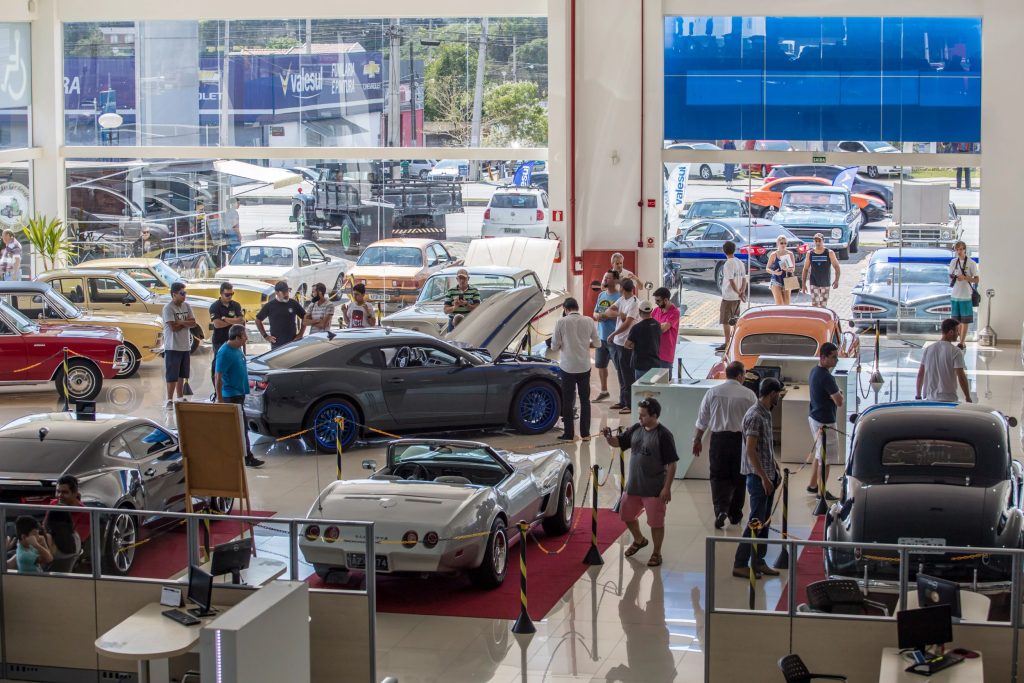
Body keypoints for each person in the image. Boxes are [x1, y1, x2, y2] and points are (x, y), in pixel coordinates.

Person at [601, 398, 678, 568]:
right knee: (626, 514)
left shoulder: (664, 435)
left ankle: (657, 553)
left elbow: (672, 464)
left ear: (654, 416)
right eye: (639, 414)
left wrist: (667, 488)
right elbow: (618, 442)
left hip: (654, 489)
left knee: (656, 523)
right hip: (633, 486)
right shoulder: (636, 429)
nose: (639, 418)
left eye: (643, 415)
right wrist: (608, 437)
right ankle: (639, 539)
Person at [692, 361, 756, 528]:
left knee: (718, 476)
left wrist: (697, 440)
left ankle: (720, 509)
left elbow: (702, 420)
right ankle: (735, 514)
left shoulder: (713, 392)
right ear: (740, 376)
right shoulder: (749, 395)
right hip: (740, 440)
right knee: (739, 476)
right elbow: (754, 422)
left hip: (719, 440)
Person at [733, 378, 784, 579]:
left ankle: (758, 561)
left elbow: (765, 449)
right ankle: (740, 563)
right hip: (757, 478)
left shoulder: (766, 413)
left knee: (764, 521)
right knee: (755, 521)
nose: (779, 396)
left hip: (767, 475)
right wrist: (763, 477)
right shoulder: (755, 416)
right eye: (778, 392)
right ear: (771, 393)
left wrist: (774, 469)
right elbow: (751, 451)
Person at [550, 297, 601, 441]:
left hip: (567, 367)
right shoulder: (589, 321)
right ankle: (586, 434)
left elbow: (554, 346)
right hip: (584, 366)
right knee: (585, 400)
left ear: (565, 310)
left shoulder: (561, 322)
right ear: (577, 307)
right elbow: (597, 343)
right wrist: (584, 346)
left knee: (568, 400)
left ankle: (569, 434)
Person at [215, 324, 264, 468]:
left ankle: (243, 455)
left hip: (240, 394)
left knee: (240, 428)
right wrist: (220, 399)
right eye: (244, 336)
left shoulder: (237, 349)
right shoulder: (224, 352)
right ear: (236, 337)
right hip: (231, 396)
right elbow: (218, 377)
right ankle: (247, 457)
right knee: (240, 428)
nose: (246, 339)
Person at [807, 342, 843, 501]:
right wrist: (839, 393)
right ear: (823, 357)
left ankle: (812, 484)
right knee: (826, 459)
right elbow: (839, 401)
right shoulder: (827, 377)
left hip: (814, 417)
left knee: (818, 455)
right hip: (825, 422)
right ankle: (821, 493)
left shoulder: (814, 371)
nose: (836, 360)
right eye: (833, 357)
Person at [916, 318, 972, 403]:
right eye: (957, 331)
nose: (958, 334)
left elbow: (920, 374)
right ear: (951, 332)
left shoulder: (928, 349)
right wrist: (967, 397)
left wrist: (918, 395)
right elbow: (961, 377)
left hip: (930, 398)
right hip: (949, 399)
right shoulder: (956, 351)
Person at [162, 281, 198, 407]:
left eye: (185, 293)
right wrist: (184, 322)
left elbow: (193, 323)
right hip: (172, 346)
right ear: (174, 294)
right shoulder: (168, 308)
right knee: (172, 375)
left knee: (182, 374)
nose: (184, 296)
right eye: (182, 293)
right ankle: (169, 400)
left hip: (185, 347)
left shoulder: (186, 306)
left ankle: (180, 397)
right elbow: (173, 327)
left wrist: (181, 322)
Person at [607, 278, 640, 414]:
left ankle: (630, 404)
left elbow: (627, 323)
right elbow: (609, 310)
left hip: (627, 343)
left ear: (622, 289)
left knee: (627, 374)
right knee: (620, 372)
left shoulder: (634, 303)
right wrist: (620, 313)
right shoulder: (622, 300)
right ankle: (622, 401)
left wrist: (613, 334)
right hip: (618, 343)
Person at [43, 474, 90, 558]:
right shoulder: (53, 504)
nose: (60, 496)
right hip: (48, 546)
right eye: (58, 491)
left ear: (75, 493)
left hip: (67, 552)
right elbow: (45, 527)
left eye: (64, 492)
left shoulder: (85, 513)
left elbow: (76, 540)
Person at [209, 281, 245, 390]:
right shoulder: (215, 307)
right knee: (219, 367)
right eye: (227, 294)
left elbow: (241, 320)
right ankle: (217, 390)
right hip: (220, 341)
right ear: (221, 294)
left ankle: (233, 387)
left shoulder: (236, 305)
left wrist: (225, 319)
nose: (230, 297)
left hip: (235, 341)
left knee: (235, 365)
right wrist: (233, 321)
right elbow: (217, 324)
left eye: (231, 294)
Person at [592, 270, 621, 401]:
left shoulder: (620, 297)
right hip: (601, 337)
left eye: (608, 278)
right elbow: (595, 312)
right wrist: (598, 316)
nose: (605, 280)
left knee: (619, 367)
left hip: (615, 338)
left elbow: (623, 317)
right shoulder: (601, 295)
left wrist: (607, 316)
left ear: (615, 280)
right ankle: (604, 391)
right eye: (604, 277)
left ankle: (623, 393)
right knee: (601, 365)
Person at [256, 281, 306, 350]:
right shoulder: (270, 306)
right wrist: (265, 336)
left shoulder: (293, 303)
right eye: (284, 295)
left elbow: (305, 317)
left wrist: (300, 334)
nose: (287, 296)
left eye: (287, 293)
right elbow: (258, 320)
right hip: (276, 344)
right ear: (277, 293)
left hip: (292, 343)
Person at [948, 241, 979, 350]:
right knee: (956, 321)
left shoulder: (971, 263)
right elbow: (950, 276)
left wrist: (965, 278)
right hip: (955, 295)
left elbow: (976, 279)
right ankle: (959, 340)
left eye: (961, 249)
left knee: (965, 321)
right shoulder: (953, 262)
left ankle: (962, 342)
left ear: (965, 249)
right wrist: (954, 277)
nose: (959, 252)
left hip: (966, 295)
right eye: (957, 250)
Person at [718, 240, 746, 351]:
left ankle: (727, 342)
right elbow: (744, 279)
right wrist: (742, 291)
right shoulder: (740, 262)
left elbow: (731, 281)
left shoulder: (728, 263)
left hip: (729, 296)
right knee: (735, 320)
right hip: (737, 297)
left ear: (724, 251)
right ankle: (735, 341)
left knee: (725, 320)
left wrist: (738, 292)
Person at [800, 233, 841, 308]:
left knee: (823, 304)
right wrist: (803, 284)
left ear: (823, 241)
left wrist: (836, 280)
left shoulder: (829, 253)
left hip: (825, 282)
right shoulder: (810, 253)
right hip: (814, 281)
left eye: (819, 241)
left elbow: (836, 267)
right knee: (814, 304)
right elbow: (805, 269)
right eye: (816, 241)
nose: (818, 243)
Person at [626, 300, 662, 381]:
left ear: (639, 311)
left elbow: (627, 344)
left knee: (641, 390)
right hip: (655, 363)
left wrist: (638, 345)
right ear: (651, 311)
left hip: (641, 365)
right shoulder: (657, 324)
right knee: (653, 389)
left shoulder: (637, 327)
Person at [652, 287, 680, 369]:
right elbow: (650, 326)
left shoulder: (675, 313)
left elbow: (663, 329)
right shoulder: (656, 310)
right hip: (654, 352)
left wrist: (654, 326)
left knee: (665, 380)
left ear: (666, 300)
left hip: (666, 354)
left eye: (658, 301)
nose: (656, 303)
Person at [766, 235, 796, 305]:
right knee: (779, 304)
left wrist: (787, 269)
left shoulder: (790, 254)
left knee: (786, 304)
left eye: (785, 243)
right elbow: (767, 268)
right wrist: (774, 272)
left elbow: (793, 269)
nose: (783, 245)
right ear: (778, 243)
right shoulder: (774, 254)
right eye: (781, 243)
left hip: (787, 280)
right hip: (776, 280)